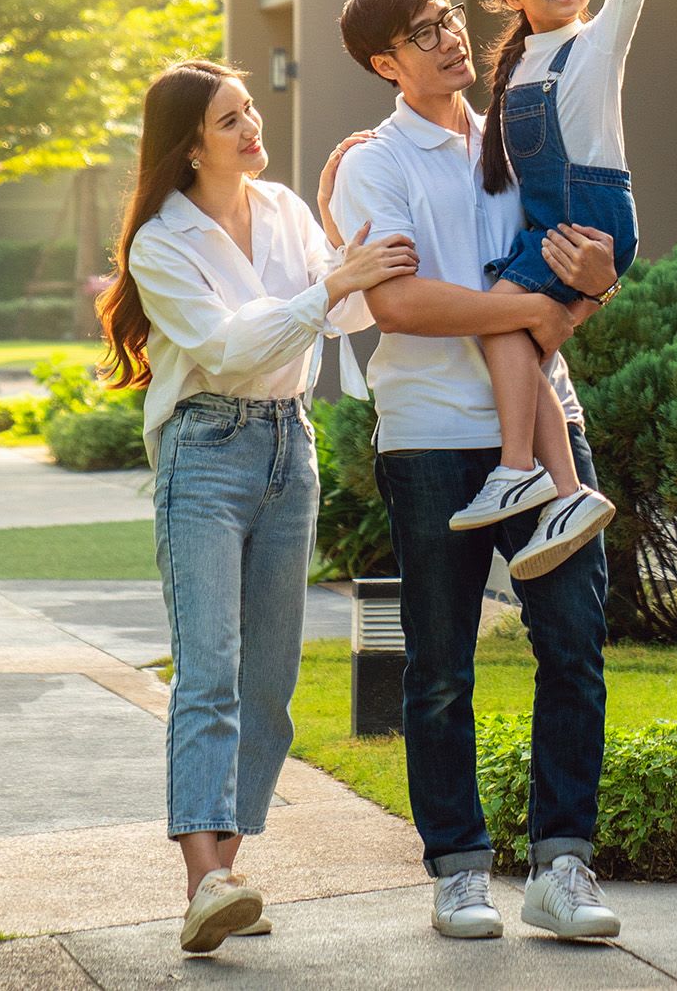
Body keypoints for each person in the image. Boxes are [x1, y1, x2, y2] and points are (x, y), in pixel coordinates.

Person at [326, 0, 626, 943]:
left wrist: (590, 285)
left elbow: (571, 257)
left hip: (547, 422)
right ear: (386, 62)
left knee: (574, 646)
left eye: (451, 19)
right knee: (442, 664)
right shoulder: (374, 166)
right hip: (430, 439)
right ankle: (459, 870)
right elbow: (400, 305)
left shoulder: (516, 134)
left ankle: (562, 868)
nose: (453, 39)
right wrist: (529, 310)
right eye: (426, 33)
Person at [94, 59, 416, 957]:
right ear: (189, 145)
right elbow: (230, 351)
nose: (250, 129)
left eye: (249, 111)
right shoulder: (163, 241)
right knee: (210, 668)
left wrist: (352, 243)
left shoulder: (279, 208)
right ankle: (205, 884)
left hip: (290, 446)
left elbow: (342, 315)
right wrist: (331, 283)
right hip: (206, 452)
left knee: (270, 684)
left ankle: (224, 882)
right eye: (229, 119)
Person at [451, 0, 677, 578]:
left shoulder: (597, 42)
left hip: (591, 223)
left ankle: (523, 470)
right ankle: (566, 491)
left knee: (504, 326)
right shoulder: (513, 69)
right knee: (514, 336)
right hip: (554, 227)